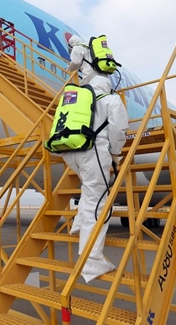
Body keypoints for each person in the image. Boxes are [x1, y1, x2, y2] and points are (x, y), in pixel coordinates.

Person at [62, 74, 129, 283]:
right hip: (93, 151)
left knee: (89, 192)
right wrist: (115, 155)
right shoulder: (111, 99)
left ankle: (79, 225)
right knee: (97, 203)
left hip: (71, 151)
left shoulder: (81, 97)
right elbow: (118, 131)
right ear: (107, 86)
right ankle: (91, 263)